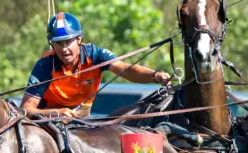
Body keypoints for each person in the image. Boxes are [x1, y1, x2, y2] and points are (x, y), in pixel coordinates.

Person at [20, 12, 173, 118]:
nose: (64, 48)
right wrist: (57, 113)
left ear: (79, 39)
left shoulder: (95, 55)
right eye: (58, 44)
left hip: (83, 120)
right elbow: (26, 109)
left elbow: (125, 70)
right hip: (50, 123)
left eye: (68, 42)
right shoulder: (45, 65)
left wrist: (154, 75)